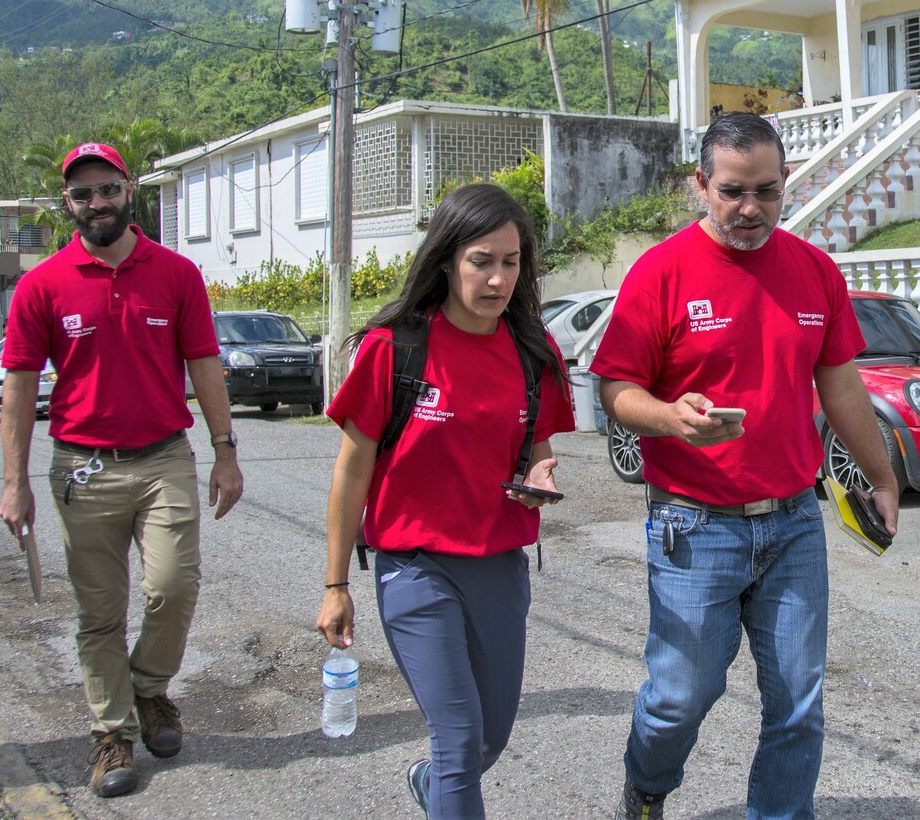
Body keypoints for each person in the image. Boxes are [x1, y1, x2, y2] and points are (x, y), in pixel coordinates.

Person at [592, 111, 899, 820]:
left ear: (786, 180)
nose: (750, 208)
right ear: (701, 185)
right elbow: (615, 391)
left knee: (797, 701)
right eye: (732, 191)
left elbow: (843, 386)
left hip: (793, 522)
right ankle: (645, 788)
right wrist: (671, 419)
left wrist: (881, 478)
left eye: (766, 190)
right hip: (692, 525)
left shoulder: (815, 271)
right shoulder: (660, 273)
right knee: (680, 697)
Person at [316, 183, 575, 819]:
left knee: (489, 739)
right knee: (458, 742)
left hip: (500, 566)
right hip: (416, 568)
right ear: (447, 260)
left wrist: (540, 473)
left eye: (511, 262)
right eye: (481, 261)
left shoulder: (532, 351)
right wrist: (335, 584)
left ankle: (431, 787)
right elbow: (352, 472)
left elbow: (536, 445)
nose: (497, 279)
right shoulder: (394, 350)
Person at [0, 142, 244, 798]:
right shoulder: (42, 285)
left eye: (106, 189)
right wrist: (13, 482)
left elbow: (205, 367)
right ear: (70, 204)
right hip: (82, 470)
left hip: (164, 458)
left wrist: (225, 453)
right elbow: (19, 387)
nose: (96, 202)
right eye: (82, 194)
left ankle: (148, 690)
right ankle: (112, 735)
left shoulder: (175, 273)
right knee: (99, 613)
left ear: (127, 189)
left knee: (172, 588)